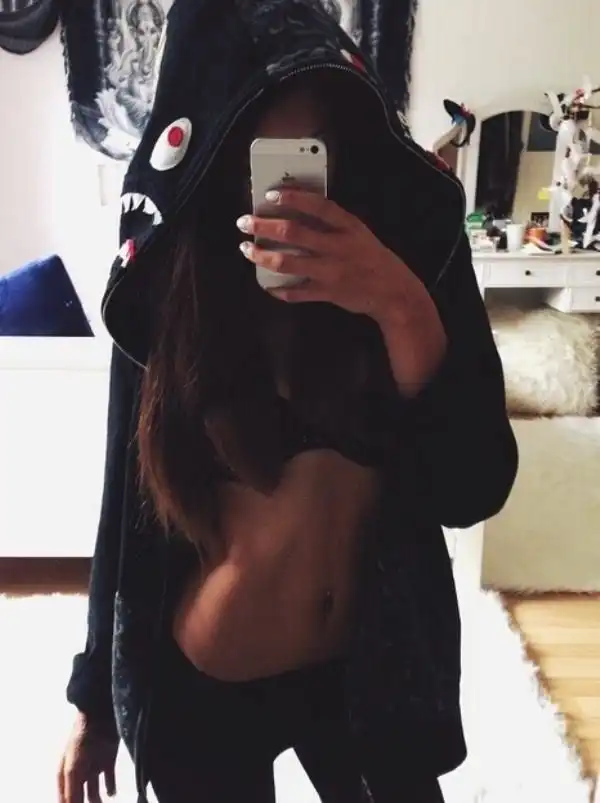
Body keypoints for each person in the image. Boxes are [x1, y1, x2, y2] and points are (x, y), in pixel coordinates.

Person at [58, 1, 518, 802]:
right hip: (206, 676)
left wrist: (401, 305)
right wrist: (91, 701)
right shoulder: (169, 264)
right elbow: (124, 501)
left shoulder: (415, 237)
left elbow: (473, 485)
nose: (289, 186)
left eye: (317, 149)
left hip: (373, 667)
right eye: (254, 152)